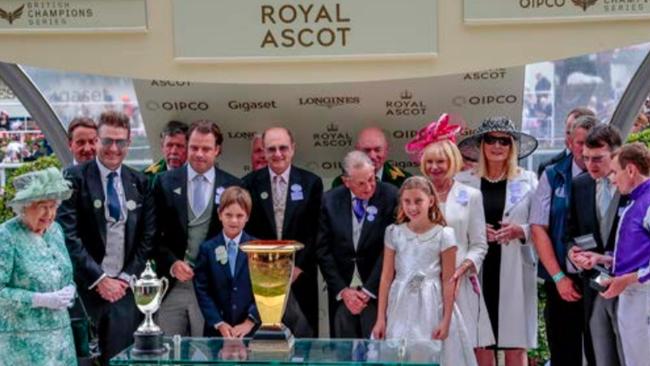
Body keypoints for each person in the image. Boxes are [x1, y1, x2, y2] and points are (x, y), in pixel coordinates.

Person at [57, 111, 156, 366]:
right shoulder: (73, 179)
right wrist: (100, 279)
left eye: (120, 142)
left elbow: (147, 237)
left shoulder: (141, 182)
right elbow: (69, 236)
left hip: (123, 292)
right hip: (85, 290)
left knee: (120, 360)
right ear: (98, 140)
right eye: (108, 141)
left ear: (129, 143)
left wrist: (123, 279)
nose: (114, 148)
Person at [406, 114, 495, 362]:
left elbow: (479, 244)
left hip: (460, 285)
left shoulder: (471, 195)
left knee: (462, 350)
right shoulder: (414, 194)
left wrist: (462, 270)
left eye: (441, 162)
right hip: (423, 285)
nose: (435, 167)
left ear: (453, 161)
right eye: (430, 162)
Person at [456, 117, 539, 366]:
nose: (497, 146)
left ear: (512, 146)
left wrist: (520, 231)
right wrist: (475, 230)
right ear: (482, 145)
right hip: (477, 267)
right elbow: (453, 225)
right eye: (491, 139)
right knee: (481, 342)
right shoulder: (462, 182)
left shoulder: (528, 180)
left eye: (504, 140)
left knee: (515, 342)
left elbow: (542, 226)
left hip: (514, 265)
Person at [371, 176, 477, 365]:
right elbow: (386, 277)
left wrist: (446, 320)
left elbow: (448, 280)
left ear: (431, 200)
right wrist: (381, 318)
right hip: (399, 305)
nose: (412, 207)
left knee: (432, 352)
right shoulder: (393, 233)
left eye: (418, 201)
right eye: (407, 201)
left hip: (432, 304)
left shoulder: (444, 235)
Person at [153, 120, 241, 337]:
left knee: (208, 353)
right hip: (172, 286)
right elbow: (151, 236)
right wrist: (172, 263)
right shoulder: (163, 182)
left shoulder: (233, 186)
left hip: (214, 288)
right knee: (169, 353)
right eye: (194, 147)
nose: (199, 154)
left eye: (206, 148)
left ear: (217, 150)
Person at [572, 143, 650, 366]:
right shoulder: (635, 201)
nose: (612, 179)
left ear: (632, 170)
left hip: (644, 296)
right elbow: (637, 255)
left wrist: (627, 279)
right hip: (632, 294)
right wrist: (602, 259)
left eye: (615, 172)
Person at [530, 115, 598, 366]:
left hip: (599, 282)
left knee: (601, 353)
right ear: (569, 142)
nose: (585, 149)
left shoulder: (611, 174)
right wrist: (559, 277)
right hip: (561, 281)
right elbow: (538, 228)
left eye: (592, 143)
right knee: (563, 353)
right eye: (580, 142)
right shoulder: (552, 174)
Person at [243, 126, 322, 337]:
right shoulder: (249, 183)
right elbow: (248, 232)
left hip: (300, 278)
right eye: (271, 149)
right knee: (265, 340)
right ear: (264, 151)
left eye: (283, 148)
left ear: (293, 148)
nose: (278, 154)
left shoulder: (311, 183)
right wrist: (264, 269)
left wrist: (298, 266)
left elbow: (316, 231)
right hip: (263, 279)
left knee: (304, 343)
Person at [317, 150, 398, 338]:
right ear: (346, 182)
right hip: (342, 293)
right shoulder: (329, 200)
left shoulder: (390, 196)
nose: (369, 187)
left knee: (377, 352)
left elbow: (390, 249)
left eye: (371, 179)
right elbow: (323, 249)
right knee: (343, 352)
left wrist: (369, 289)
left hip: (377, 291)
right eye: (361, 183)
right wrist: (343, 291)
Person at [0, 168, 76, 365]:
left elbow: (65, 274)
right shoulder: (6, 236)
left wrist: (70, 290)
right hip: (23, 345)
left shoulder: (55, 230)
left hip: (62, 342)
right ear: (23, 206)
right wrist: (39, 299)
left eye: (54, 206)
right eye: (43, 206)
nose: (49, 214)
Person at [567, 124, 626, 366]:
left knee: (631, 351)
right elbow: (572, 230)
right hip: (595, 283)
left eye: (598, 159)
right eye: (586, 158)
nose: (591, 164)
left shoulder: (634, 186)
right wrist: (573, 251)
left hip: (629, 282)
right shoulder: (580, 185)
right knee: (600, 352)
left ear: (615, 154)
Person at [193, 186, 259, 338]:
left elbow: (265, 290)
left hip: (251, 331)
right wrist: (218, 322)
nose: (234, 220)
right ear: (219, 214)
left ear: (247, 217)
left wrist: (249, 321)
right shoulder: (207, 248)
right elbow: (202, 289)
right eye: (228, 215)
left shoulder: (257, 248)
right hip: (217, 331)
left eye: (239, 215)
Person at [331, 127, 411, 188]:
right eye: (366, 150)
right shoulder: (341, 183)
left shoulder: (404, 181)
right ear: (357, 151)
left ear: (386, 150)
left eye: (377, 150)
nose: (372, 156)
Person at [536, 107, 595, 177]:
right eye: (568, 131)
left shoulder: (603, 166)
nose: (569, 136)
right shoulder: (547, 168)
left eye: (574, 130)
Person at [144, 120, 189, 185]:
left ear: (188, 148)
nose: (174, 151)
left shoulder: (199, 175)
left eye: (179, 146)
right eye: (169, 145)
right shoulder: (147, 177)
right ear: (162, 147)